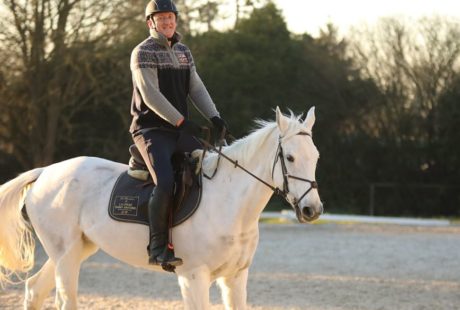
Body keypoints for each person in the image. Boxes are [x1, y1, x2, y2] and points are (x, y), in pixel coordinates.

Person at [129, 0, 228, 267]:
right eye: (161, 19)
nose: (167, 23)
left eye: (171, 18)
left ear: (176, 20)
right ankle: (158, 247)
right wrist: (181, 121)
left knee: (212, 166)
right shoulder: (143, 52)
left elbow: (196, 88)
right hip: (151, 131)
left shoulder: (184, 52)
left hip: (177, 130)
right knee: (164, 182)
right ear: (151, 23)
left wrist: (215, 117)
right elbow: (151, 95)